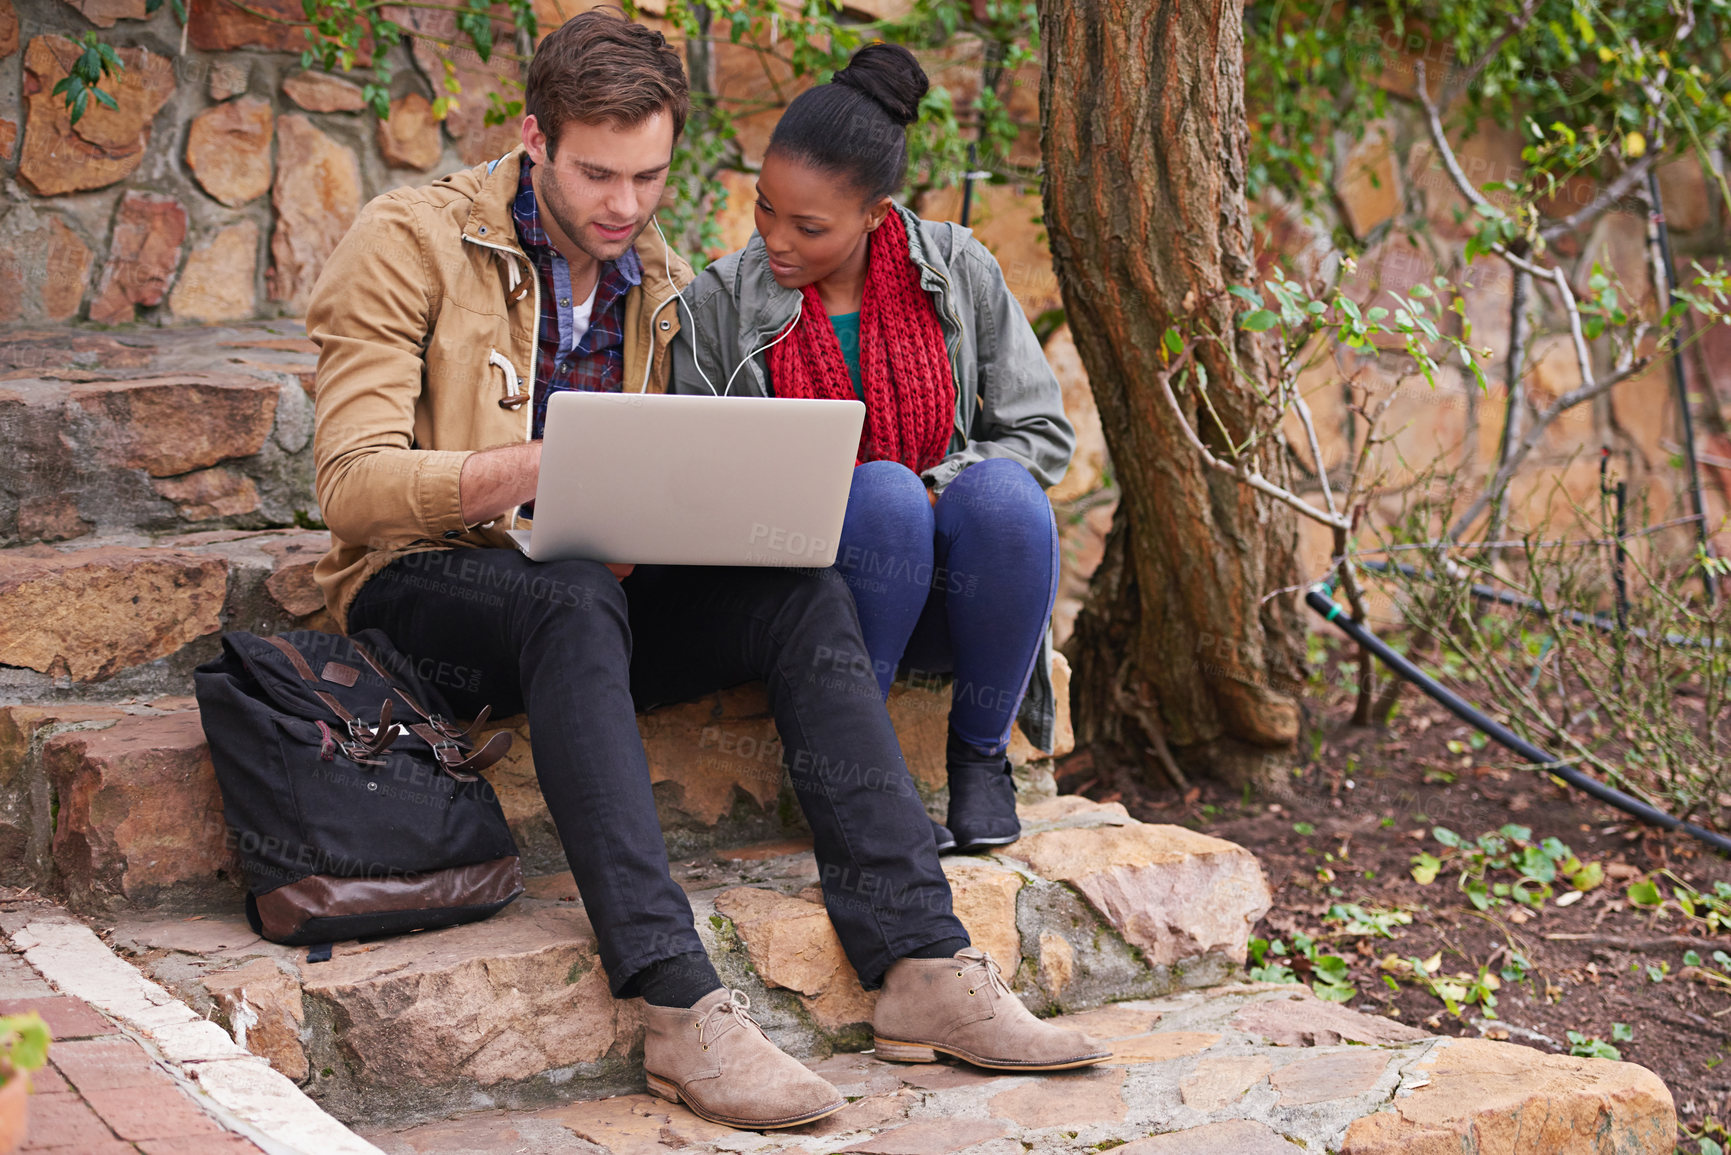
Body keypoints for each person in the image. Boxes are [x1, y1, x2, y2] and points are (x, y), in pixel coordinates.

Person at [305, 10, 1105, 1134]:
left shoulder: (660, 279)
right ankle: (680, 1004)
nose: (625, 207)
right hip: (421, 593)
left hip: (587, 597)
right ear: (534, 138)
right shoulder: (411, 241)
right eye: (597, 174)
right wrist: (532, 467)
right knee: (572, 593)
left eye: (650, 176)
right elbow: (350, 486)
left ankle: (922, 963)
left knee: (796, 590)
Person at [670, 44, 1075, 856]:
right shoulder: (717, 302)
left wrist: (940, 490)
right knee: (882, 496)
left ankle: (979, 759)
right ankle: (858, 778)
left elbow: (1040, 432)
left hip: (955, 599)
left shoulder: (957, 270)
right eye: (764, 209)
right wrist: (855, 502)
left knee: (1000, 497)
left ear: (875, 216)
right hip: (816, 607)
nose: (776, 240)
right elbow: (699, 479)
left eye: (808, 225)